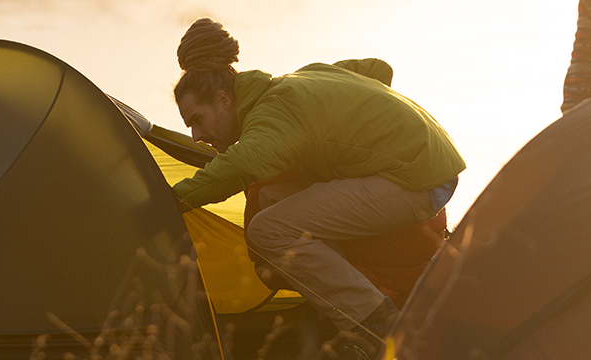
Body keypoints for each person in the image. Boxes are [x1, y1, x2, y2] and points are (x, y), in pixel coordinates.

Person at [168, 18, 465, 357]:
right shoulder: (302, 80)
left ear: (223, 99)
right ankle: (354, 294)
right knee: (268, 196)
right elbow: (377, 70)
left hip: (415, 180)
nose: (197, 137)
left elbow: (237, 165)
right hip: (429, 162)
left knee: (268, 230)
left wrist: (173, 199)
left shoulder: (271, 115)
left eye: (197, 120)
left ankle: (373, 321)